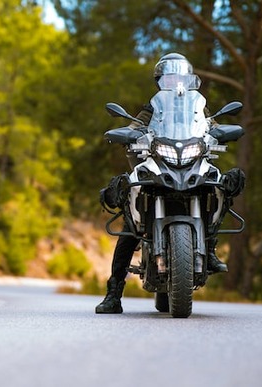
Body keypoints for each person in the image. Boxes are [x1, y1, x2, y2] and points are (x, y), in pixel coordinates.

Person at [96, 53, 245, 314]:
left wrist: (220, 131)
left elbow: (211, 125)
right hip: (160, 162)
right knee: (130, 224)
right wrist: (130, 134)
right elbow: (136, 126)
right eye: (170, 76)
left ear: (189, 79)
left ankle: (209, 247)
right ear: (161, 80)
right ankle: (113, 293)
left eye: (180, 76)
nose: (175, 80)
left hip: (192, 160)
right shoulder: (154, 107)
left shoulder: (198, 107)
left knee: (222, 184)